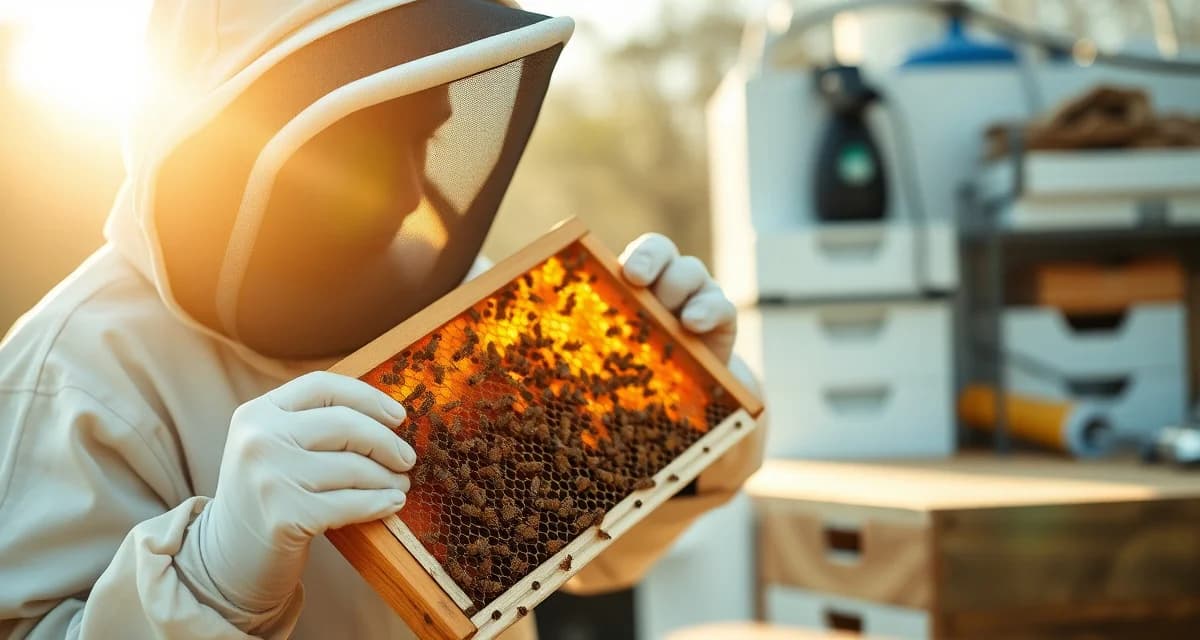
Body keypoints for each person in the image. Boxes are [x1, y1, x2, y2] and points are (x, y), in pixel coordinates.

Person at [0, 1, 765, 638]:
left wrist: (668, 402)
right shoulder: (71, 373)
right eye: (367, 152)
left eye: (426, 138)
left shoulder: (441, 285)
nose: (408, 194)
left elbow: (589, 556)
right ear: (240, 154)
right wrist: (209, 581)